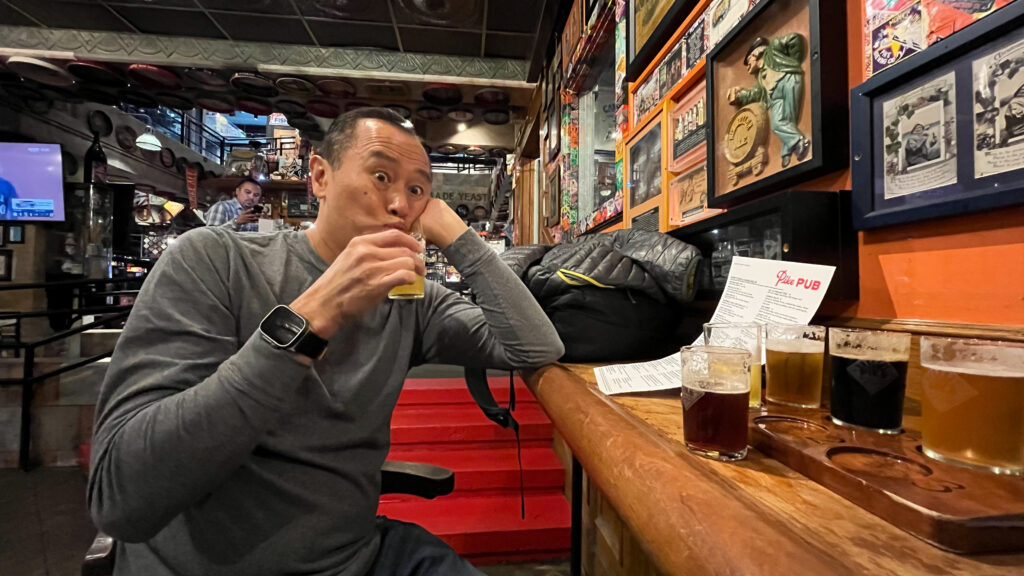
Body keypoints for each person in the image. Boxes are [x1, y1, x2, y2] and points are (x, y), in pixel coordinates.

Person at [87, 107, 564, 576]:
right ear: (319, 176)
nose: (400, 203)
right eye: (381, 176)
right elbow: (121, 499)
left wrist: (458, 236)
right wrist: (313, 317)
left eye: (417, 190)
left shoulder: (412, 301)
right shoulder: (214, 261)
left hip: (356, 557)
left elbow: (535, 348)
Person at [727, 34, 811, 168]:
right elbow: (756, 94)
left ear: (755, 54)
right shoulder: (760, 78)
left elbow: (794, 39)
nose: (747, 66)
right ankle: (798, 142)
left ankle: (787, 153)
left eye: (748, 60)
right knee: (777, 124)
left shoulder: (774, 49)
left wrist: (794, 62)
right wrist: (740, 96)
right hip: (775, 97)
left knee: (791, 118)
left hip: (789, 81)